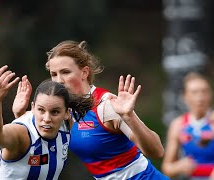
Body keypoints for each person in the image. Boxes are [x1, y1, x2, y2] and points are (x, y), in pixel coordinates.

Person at [13, 40, 169, 179]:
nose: (59, 80)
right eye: (54, 74)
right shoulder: (61, 111)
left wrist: (129, 117)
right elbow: (34, 143)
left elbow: (157, 151)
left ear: (84, 72)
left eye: (66, 72)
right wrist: (19, 114)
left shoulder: (106, 105)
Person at [0, 65, 94, 180]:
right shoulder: (21, 133)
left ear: (67, 113)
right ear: (33, 108)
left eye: (55, 112)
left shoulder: (67, 125)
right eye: (41, 110)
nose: (47, 118)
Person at [161, 72, 214, 180]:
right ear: (185, 97)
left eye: (204, 91)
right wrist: (179, 166)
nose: (200, 97)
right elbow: (167, 168)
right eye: (195, 92)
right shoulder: (178, 124)